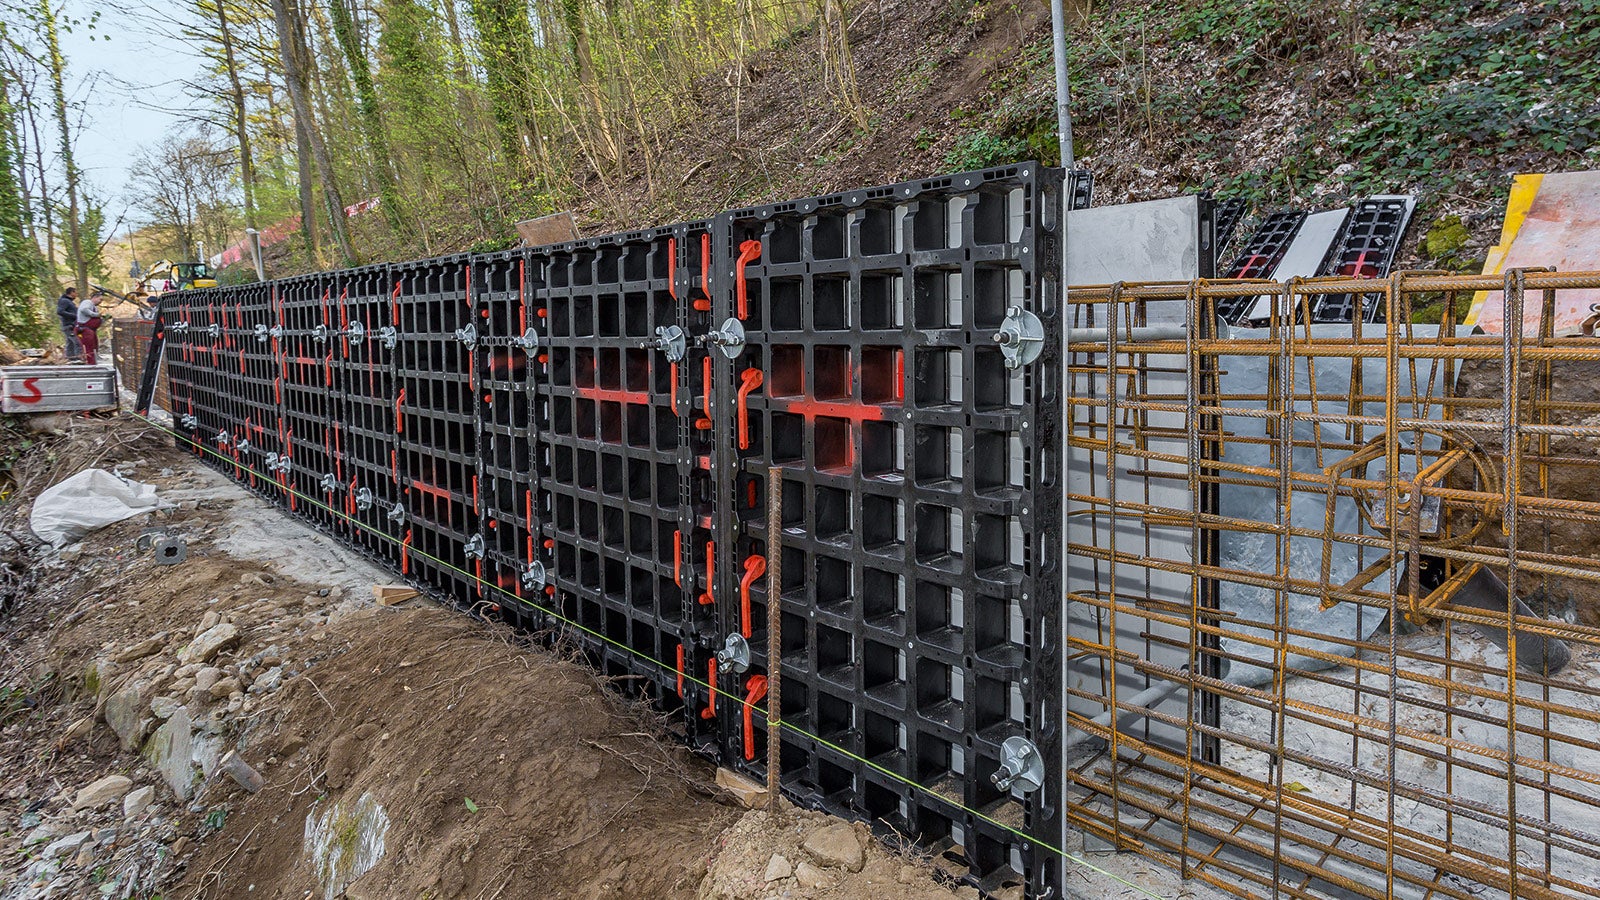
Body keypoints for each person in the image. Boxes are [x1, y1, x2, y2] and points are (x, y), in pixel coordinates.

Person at [75, 291, 103, 366]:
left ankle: (92, 362)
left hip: (90, 330)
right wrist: (96, 315)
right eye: (100, 299)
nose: (100, 302)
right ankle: (90, 363)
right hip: (84, 329)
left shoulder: (94, 307)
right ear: (95, 297)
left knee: (93, 346)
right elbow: (84, 309)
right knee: (89, 347)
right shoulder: (87, 302)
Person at [56, 286, 83, 361]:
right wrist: (75, 316)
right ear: (71, 292)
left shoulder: (69, 302)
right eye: (75, 292)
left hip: (70, 325)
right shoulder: (65, 301)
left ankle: (70, 358)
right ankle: (78, 359)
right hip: (69, 325)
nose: (77, 294)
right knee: (77, 342)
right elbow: (60, 311)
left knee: (70, 343)